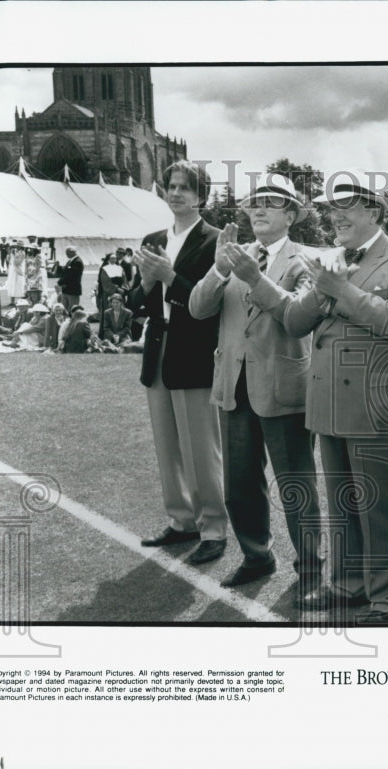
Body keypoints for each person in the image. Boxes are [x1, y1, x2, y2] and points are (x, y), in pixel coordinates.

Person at [283, 174, 388, 623]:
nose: (336, 215)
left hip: (377, 404)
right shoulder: (328, 259)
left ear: (375, 212)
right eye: (331, 208)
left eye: (347, 205)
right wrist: (323, 291)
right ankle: (349, 587)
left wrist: (341, 291)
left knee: (381, 508)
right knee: (343, 503)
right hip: (329, 401)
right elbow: (293, 323)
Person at [188, 174, 323, 593]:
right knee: (240, 482)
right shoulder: (233, 255)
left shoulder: (309, 260)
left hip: (284, 387)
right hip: (233, 383)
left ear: (292, 215)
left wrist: (253, 276)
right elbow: (197, 308)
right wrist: (218, 269)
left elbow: (299, 316)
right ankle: (257, 555)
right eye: (254, 202)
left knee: (296, 482)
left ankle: (311, 568)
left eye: (271, 202)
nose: (259, 209)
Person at [130, 160, 228, 565]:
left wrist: (169, 277)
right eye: (170, 186)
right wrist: (148, 283)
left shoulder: (216, 240)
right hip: (158, 350)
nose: (175, 193)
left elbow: (211, 303)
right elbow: (137, 304)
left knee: (201, 447)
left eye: (185, 188)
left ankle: (214, 527)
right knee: (167, 444)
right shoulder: (153, 238)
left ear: (200, 196)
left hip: (196, 350)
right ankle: (181, 520)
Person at [98, 252, 126, 318]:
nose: (113, 260)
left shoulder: (120, 268)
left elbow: (125, 280)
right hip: (109, 293)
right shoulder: (104, 269)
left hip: (120, 293)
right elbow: (105, 282)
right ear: (108, 259)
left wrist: (124, 289)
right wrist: (116, 288)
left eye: (115, 258)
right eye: (112, 258)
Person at [57, 246, 84, 311]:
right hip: (66, 289)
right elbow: (64, 272)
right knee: (64, 309)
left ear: (72, 252)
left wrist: (61, 282)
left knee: (72, 309)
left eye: (67, 253)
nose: (66, 254)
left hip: (72, 290)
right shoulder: (70, 261)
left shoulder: (77, 262)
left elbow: (72, 276)